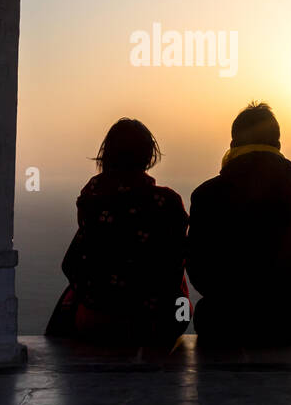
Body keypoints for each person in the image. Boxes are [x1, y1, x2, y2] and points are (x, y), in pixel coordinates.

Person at [186, 102, 291, 346]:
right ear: (278, 145)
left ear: (233, 144)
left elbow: (198, 271)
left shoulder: (205, 196)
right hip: (288, 324)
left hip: (220, 325)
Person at [44, 118, 191, 346]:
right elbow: (176, 265)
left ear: (107, 154)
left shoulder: (92, 198)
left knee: (70, 299)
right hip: (155, 323)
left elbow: (71, 266)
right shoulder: (168, 202)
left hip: (95, 321)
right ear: (148, 156)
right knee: (179, 291)